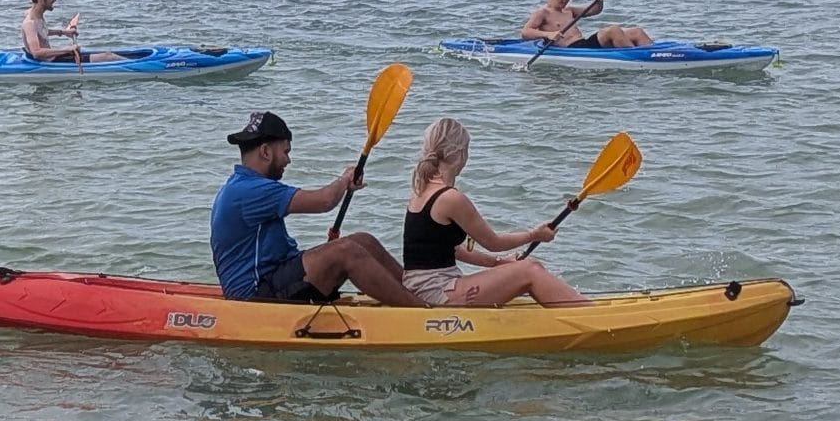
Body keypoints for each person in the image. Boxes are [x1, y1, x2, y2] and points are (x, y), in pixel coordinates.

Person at [209, 111, 426, 306]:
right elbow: (324, 201)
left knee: (363, 241)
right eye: (286, 152)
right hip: (255, 297)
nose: (288, 160)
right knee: (346, 251)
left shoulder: (240, 185)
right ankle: (422, 312)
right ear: (266, 152)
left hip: (276, 275)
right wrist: (345, 179)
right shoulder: (250, 190)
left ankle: (421, 295)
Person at [400, 118, 588, 307]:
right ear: (460, 154)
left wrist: (497, 263)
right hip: (436, 291)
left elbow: (454, 250)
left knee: (527, 268)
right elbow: (493, 242)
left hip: (426, 286)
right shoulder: (450, 198)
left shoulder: (421, 190)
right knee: (530, 269)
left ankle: (576, 308)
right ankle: (589, 316)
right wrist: (534, 235)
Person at [521, 0, 651, 49]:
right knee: (613, 30)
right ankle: (638, 59)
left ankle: (655, 55)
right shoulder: (543, 13)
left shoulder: (569, 10)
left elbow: (595, 11)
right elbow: (526, 32)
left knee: (636, 32)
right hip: (572, 49)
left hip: (584, 44)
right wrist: (548, 35)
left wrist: (599, 0)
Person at [21, 0, 121, 63]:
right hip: (52, 63)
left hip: (53, 59)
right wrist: (66, 49)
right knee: (108, 57)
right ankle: (136, 67)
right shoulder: (30, 23)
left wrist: (63, 32)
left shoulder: (35, 14)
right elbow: (36, 53)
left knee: (108, 54)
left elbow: (40, 32)